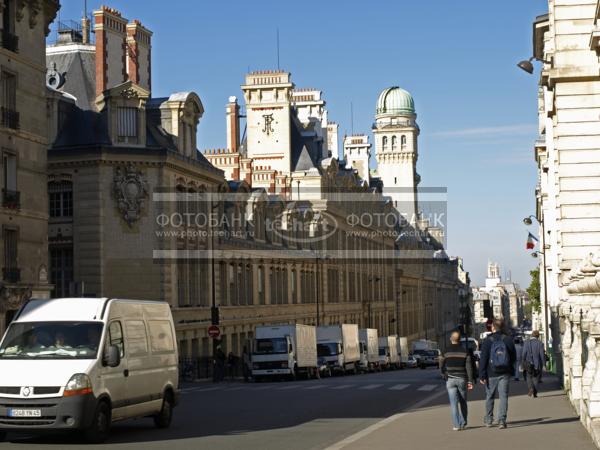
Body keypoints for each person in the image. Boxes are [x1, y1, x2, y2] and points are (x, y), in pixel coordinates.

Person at [479, 318, 517, 429]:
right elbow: (513, 357)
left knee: (489, 396)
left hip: (491, 373)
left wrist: (482, 374)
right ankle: (502, 420)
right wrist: (511, 370)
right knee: (503, 396)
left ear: (493, 327)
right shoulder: (508, 340)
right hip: (505, 373)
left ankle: (489, 420)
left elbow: (483, 359)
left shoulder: (487, 340)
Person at [440, 330, 474, 431]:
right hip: (462, 379)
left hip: (450, 379)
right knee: (463, 402)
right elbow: (469, 367)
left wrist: (443, 374)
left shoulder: (445, 351)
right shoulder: (465, 351)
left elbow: (441, 364)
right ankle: (463, 423)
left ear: (451, 339)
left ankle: (456, 425)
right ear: (460, 340)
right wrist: (470, 381)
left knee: (453, 403)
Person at [522, 330, 546, 398]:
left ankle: (530, 388)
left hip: (528, 363)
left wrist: (522, 363)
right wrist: (544, 365)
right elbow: (542, 355)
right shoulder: (540, 343)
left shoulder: (526, 343)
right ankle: (535, 393)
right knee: (536, 378)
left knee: (528, 377)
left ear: (532, 335)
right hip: (537, 364)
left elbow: (523, 354)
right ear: (538, 336)